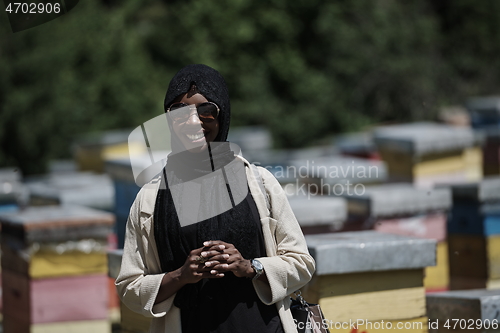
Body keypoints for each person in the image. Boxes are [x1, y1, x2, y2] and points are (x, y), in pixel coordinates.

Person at [116, 64, 315, 333]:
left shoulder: (259, 183)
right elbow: (129, 287)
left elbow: (301, 263)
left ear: (222, 116)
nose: (194, 122)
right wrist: (181, 276)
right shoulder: (149, 200)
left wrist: (250, 266)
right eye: (179, 113)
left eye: (206, 111)